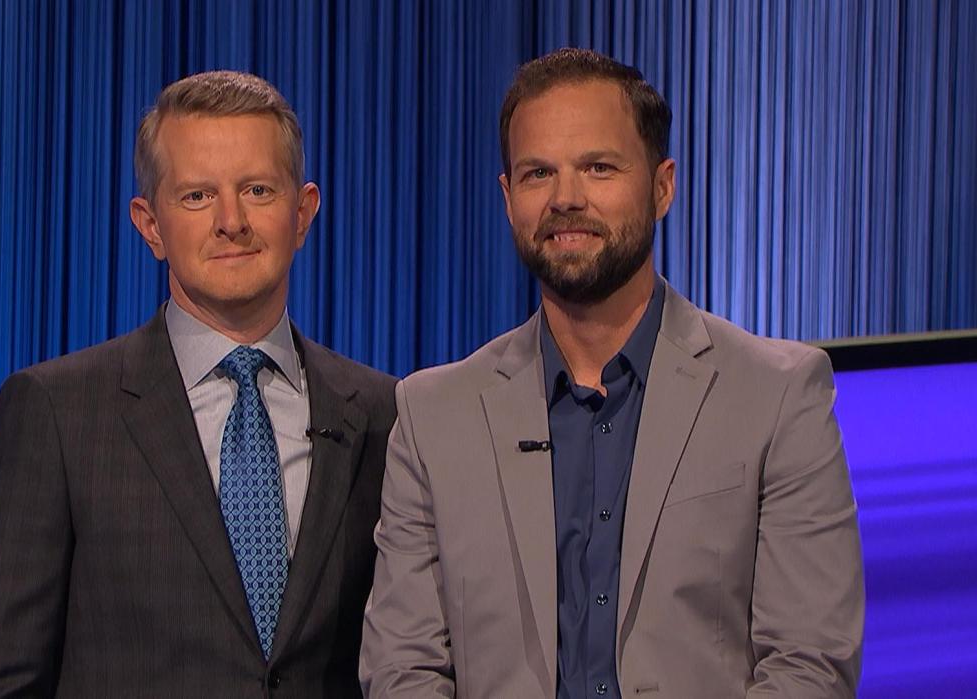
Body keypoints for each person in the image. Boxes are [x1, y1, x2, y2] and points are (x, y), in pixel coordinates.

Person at [360, 48, 863, 698]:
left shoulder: (779, 396)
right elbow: (403, 671)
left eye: (598, 167)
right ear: (508, 196)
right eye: (539, 173)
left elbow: (809, 664)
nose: (566, 199)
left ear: (661, 186)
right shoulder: (432, 415)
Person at [0, 71, 396, 697]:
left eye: (258, 189)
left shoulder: (384, 412)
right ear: (151, 225)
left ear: (302, 214)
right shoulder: (56, 413)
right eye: (197, 197)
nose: (231, 221)